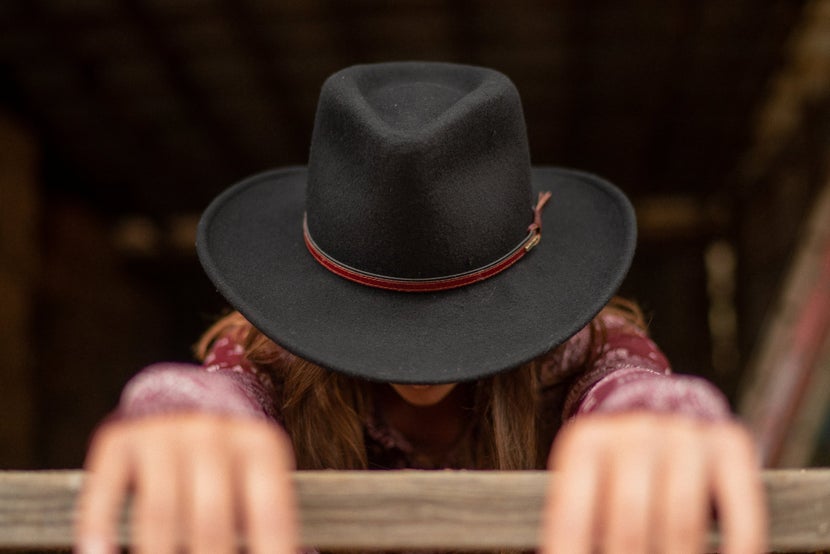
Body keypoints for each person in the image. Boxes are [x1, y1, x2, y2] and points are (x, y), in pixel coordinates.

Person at [75, 61, 766, 554]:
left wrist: (653, 413)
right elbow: (228, 391)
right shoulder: (273, 356)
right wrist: (186, 407)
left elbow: (623, 380)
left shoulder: (577, 348)